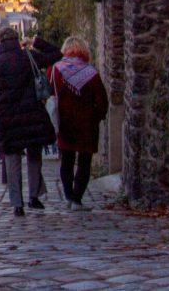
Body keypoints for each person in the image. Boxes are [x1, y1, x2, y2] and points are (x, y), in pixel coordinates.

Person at [0, 27, 61, 217]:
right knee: (34, 156)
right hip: (31, 115)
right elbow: (57, 54)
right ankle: (34, 195)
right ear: (17, 41)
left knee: (12, 160)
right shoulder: (29, 57)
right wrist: (35, 41)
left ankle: (17, 204)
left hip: (7, 119)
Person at [50, 36, 109, 211]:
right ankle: (77, 199)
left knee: (66, 161)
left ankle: (68, 196)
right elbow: (102, 100)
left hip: (64, 122)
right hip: (87, 124)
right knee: (84, 162)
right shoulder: (91, 73)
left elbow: (47, 92)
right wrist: (97, 116)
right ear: (84, 51)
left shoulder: (56, 70)